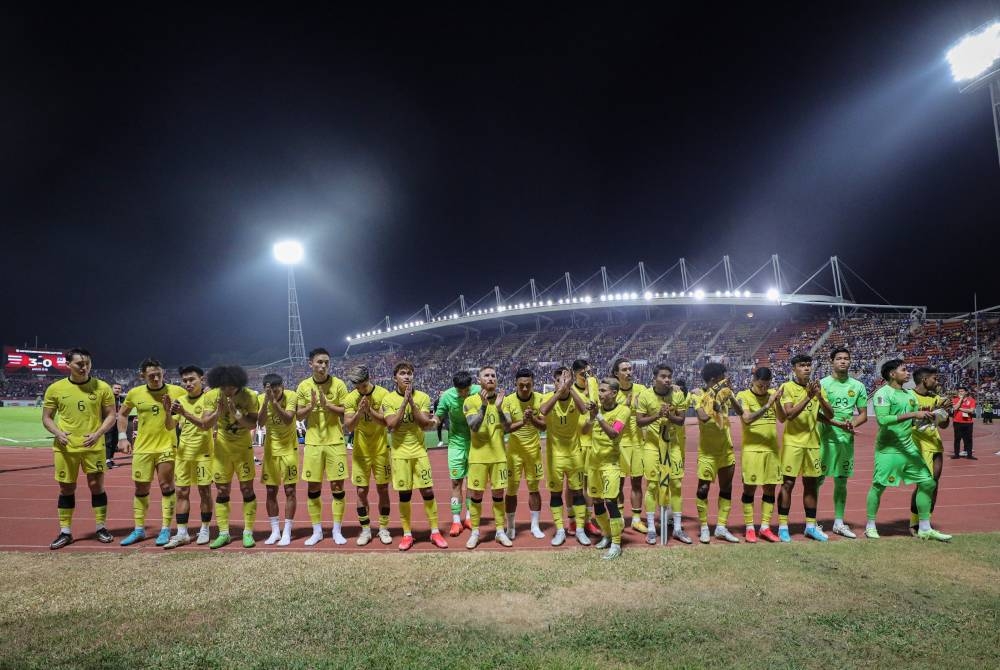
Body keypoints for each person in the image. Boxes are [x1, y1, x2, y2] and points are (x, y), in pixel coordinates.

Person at [865, 360, 951, 542]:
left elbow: (914, 423)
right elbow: (883, 420)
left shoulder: (909, 396)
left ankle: (925, 528)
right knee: (879, 486)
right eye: (903, 370)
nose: (907, 373)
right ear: (892, 374)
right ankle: (870, 526)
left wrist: (934, 417)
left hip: (909, 448)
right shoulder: (883, 393)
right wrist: (914, 414)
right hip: (888, 449)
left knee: (928, 483)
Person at [41, 348, 117, 549]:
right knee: (66, 488)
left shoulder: (102, 387)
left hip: (94, 446)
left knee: (96, 487)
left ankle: (101, 527)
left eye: (87, 364)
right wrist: (58, 433)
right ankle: (65, 532)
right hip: (66, 448)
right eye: (79, 364)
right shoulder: (55, 389)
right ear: (68, 365)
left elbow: (111, 415)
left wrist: (98, 433)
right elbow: (47, 417)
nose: (85, 367)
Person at [116, 359, 186, 547]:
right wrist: (122, 436)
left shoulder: (177, 392)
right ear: (142, 376)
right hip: (142, 448)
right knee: (141, 489)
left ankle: (165, 529)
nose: (156, 378)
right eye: (151, 375)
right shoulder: (135, 393)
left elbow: (182, 415)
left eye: (159, 374)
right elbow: (122, 414)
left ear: (163, 372)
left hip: (166, 446)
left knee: (166, 486)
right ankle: (139, 529)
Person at [381, 361, 448, 551]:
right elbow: (392, 425)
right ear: (395, 378)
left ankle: (435, 532)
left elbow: (424, 424)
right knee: (405, 495)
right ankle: (407, 534)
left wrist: (412, 402)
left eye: (410, 373)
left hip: (419, 452)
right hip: (400, 454)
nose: (407, 376)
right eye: (403, 373)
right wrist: (404, 403)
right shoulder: (388, 400)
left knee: (427, 491)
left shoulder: (423, 397)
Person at [295, 348, 350, 545]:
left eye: (326, 362)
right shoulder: (303, 386)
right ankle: (317, 531)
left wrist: (328, 405)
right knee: (313, 486)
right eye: (319, 362)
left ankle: (337, 530)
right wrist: (311, 406)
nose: (323, 365)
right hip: (313, 443)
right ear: (311, 363)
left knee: (337, 486)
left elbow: (346, 411)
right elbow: (299, 416)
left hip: (335, 441)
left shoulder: (339, 384)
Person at [778, 354, 834, 542]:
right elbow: (789, 414)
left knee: (811, 485)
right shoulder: (787, 387)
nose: (807, 368)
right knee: (788, 484)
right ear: (794, 368)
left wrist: (819, 396)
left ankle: (810, 526)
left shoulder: (818, 388)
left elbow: (829, 413)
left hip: (813, 444)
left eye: (809, 365)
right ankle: (783, 526)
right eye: (802, 365)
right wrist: (808, 397)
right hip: (793, 443)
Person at [206, 365, 260, 548]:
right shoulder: (212, 396)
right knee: (222, 491)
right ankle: (223, 533)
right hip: (222, 450)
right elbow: (206, 424)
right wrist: (217, 414)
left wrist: (237, 414)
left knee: (247, 489)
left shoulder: (250, 396)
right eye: (223, 387)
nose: (227, 390)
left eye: (230, 386)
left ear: (238, 383)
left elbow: (252, 425)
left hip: (243, 449)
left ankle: (248, 532)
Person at [817, 348, 868, 539]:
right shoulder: (822, 384)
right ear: (831, 361)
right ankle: (812, 521)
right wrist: (835, 423)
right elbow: (816, 413)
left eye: (846, 358)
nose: (843, 362)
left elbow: (863, 414)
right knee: (817, 480)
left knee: (841, 481)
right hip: (824, 440)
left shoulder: (858, 386)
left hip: (846, 441)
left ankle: (839, 522)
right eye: (839, 358)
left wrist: (851, 424)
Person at [164, 365, 217, 548]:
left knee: (204, 492)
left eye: (192, 379)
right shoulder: (179, 400)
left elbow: (205, 424)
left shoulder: (208, 398)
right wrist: (166, 411)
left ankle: (204, 528)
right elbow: (170, 426)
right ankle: (182, 533)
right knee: (181, 492)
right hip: (183, 454)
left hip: (204, 453)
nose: (188, 383)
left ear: (201, 379)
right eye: (184, 380)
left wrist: (184, 412)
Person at [635, 364, 688, 544]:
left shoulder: (678, 395)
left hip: (672, 445)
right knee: (652, 486)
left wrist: (669, 416)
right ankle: (651, 528)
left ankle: (678, 528)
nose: (667, 380)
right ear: (655, 378)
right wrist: (658, 415)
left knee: (677, 484)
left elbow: (681, 421)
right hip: (652, 446)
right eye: (663, 376)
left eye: (669, 376)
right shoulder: (645, 396)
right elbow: (640, 422)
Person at [463, 365, 514, 549]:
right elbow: (474, 427)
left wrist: (499, 409)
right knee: (476, 495)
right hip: (478, 457)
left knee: (498, 494)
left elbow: (508, 427)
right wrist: (484, 407)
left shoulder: (504, 400)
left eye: (493, 375)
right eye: (486, 375)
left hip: (499, 456)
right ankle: (475, 532)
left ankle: (500, 531)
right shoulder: (470, 401)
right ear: (479, 380)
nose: (491, 378)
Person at [539, 367, 591, 546]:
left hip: (574, 454)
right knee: (555, 493)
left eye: (567, 379)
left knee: (578, 493)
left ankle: (580, 530)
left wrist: (570, 389)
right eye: (560, 380)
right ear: (554, 382)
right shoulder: (547, 398)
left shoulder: (577, 398)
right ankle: (560, 530)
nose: (564, 382)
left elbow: (584, 410)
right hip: (555, 456)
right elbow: (544, 411)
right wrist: (559, 392)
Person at [343, 365, 393, 546]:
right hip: (360, 452)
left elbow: (387, 423)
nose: (360, 390)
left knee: (383, 490)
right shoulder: (350, 398)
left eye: (363, 386)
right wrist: (359, 412)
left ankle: (383, 528)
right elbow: (349, 426)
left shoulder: (384, 394)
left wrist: (370, 410)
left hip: (380, 450)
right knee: (361, 491)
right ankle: (365, 530)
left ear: (369, 379)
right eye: (357, 387)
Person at [733, 367, 784, 543]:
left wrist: (776, 402)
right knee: (749, 489)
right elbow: (746, 419)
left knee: (770, 488)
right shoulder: (743, 396)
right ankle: (749, 528)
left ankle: (765, 527)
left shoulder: (772, 394)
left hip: (771, 450)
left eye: (766, 385)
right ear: (753, 380)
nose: (763, 389)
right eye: (760, 385)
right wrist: (768, 404)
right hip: (752, 451)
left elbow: (783, 419)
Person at [692, 362, 740, 544]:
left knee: (726, 488)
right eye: (723, 377)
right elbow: (703, 418)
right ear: (714, 379)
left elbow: (740, 411)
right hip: (707, 452)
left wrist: (730, 395)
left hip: (726, 450)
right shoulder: (697, 395)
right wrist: (715, 398)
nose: (726, 380)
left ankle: (721, 527)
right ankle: (704, 527)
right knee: (703, 489)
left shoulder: (726, 394)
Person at [583, 377, 631, 559]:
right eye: (600, 390)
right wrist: (590, 418)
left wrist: (598, 416)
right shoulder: (596, 410)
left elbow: (614, 433)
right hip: (594, 463)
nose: (600, 394)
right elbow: (583, 432)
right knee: (596, 501)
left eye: (604, 391)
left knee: (611, 502)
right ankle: (606, 534)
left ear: (614, 393)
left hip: (610, 463)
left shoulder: (623, 411)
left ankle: (617, 544)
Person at [434, 371, 481, 536]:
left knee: (472, 482)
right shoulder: (447, 396)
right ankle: (456, 521)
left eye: (466, 390)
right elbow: (438, 416)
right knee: (456, 482)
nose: (464, 393)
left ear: (470, 386)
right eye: (460, 391)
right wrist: (432, 421)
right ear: (455, 388)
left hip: (476, 443)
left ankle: (468, 517)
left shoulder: (478, 390)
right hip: (456, 443)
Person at [501, 368, 546, 540]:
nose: (525, 389)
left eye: (528, 385)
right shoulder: (508, 401)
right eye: (521, 385)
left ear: (533, 384)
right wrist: (524, 421)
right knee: (511, 491)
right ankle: (511, 527)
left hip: (533, 452)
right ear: (516, 384)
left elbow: (544, 426)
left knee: (534, 490)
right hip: (514, 453)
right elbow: (506, 428)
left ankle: (535, 526)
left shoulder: (540, 399)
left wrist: (532, 419)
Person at [257, 373, 298, 546]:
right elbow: (260, 423)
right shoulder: (261, 399)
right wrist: (266, 401)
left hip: (289, 450)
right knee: (270, 492)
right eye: (270, 391)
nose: (274, 393)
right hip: (270, 452)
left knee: (290, 491)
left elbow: (288, 420)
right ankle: (275, 531)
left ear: (282, 386)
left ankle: (287, 531)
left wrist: (274, 402)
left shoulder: (292, 396)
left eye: (276, 390)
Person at [909, 367, 951, 535]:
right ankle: (914, 523)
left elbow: (944, 425)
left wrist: (945, 411)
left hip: (934, 445)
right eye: (935, 378)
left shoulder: (937, 398)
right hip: (915, 444)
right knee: (922, 484)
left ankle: (926, 523)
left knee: (933, 484)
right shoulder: (909, 397)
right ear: (924, 379)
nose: (937, 381)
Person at [610, 358, 647, 534]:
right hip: (619, 443)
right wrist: (623, 407)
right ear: (616, 373)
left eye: (630, 369)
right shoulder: (612, 392)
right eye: (624, 370)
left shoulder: (641, 390)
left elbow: (655, 397)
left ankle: (636, 520)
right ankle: (619, 518)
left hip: (638, 443)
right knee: (618, 483)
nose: (629, 372)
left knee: (637, 482)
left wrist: (676, 388)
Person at [951, 386, 976, 459]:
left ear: (966, 392)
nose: (960, 393)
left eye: (962, 391)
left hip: (968, 422)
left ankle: (969, 455)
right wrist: (961, 399)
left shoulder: (971, 400)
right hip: (957, 422)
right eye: (959, 391)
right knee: (957, 439)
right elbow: (955, 408)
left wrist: (960, 409)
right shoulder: (955, 399)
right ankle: (956, 454)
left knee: (968, 439)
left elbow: (971, 410)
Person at [104, 383, 124, 469]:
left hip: (118, 422)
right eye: (115, 388)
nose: (117, 390)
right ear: (112, 389)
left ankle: (111, 459)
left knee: (115, 441)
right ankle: (106, 460)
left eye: (119, 388)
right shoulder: (108, 398)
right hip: (109, 422)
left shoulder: (122, 399)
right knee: (108, 441)